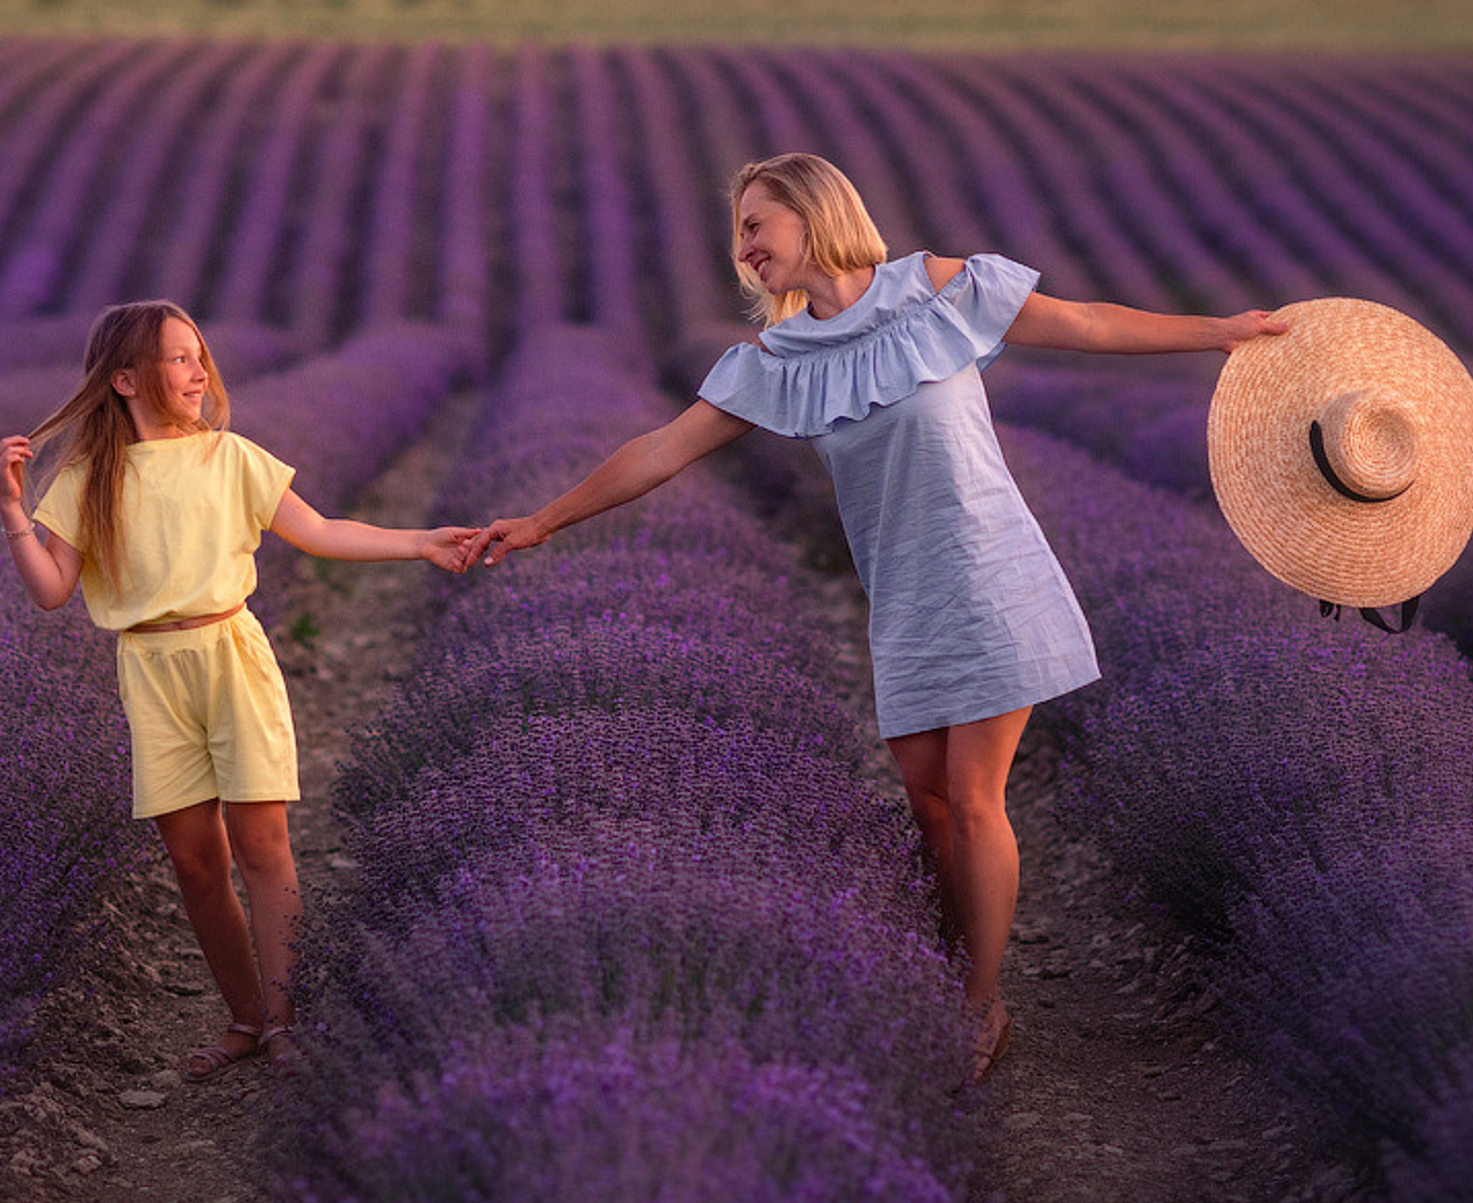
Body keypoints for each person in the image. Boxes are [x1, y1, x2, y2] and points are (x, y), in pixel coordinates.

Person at [467, 154, 1287, 1083]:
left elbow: (1088, 322)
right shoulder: (777, 360)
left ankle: (979, 1009)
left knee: (975, 801)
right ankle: (954, 974)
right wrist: (540, 520)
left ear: (812, 216)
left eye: (754, 226)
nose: (742, 251)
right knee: (929, 803)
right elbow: (659, 450)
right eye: (739, 232)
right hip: (903, 595)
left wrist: (1218, 332)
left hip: (990, 578)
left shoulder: (938, 291)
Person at [0, 300, 474, 1080]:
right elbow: (52, 590)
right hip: (151, 671)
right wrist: (14, 508)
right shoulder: (88, 478)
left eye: (198, 355)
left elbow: (318, 531)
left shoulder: (230, 457)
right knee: (194, 863)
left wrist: (420, 542)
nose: (198, 370)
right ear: (124, 379)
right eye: (177, 358)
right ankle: (245, 1018)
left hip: (230, 655)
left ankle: (283, 1021)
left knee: (262, 845)